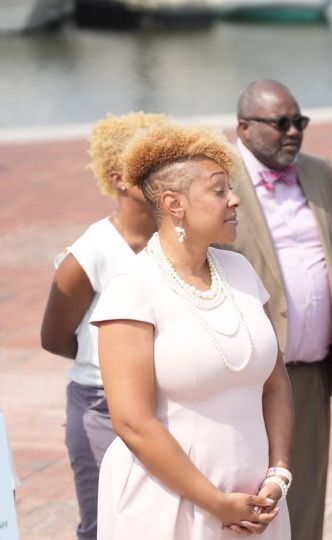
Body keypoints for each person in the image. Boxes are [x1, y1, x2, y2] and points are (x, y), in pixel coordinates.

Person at [90, 122, 294, 538]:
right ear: (174, 203)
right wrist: (215, 503)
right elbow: (132, 423)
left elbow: (276, 383)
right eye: (219, 191)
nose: (235, 200)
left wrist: (279, 472)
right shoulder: (132, 288)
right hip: (167, 503)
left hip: (255, 500)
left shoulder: (240, 270)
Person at [40, 111, 167, 540]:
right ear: (118, 178)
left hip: (164, 400)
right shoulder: (91, 253)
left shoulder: (174, 244)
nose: (159, 175)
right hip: (100, 405)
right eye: (146, 166)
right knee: (104, 524)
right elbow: (55, 337)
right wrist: (115, 369)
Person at [230, 79, 332, 540]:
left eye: (300, 121)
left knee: (308, 498)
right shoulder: (217, 179)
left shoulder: (322, 173)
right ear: (244, 126)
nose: (293, 131)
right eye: (280, 123)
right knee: (249, 502)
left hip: (313, 373)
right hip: (246, 376)